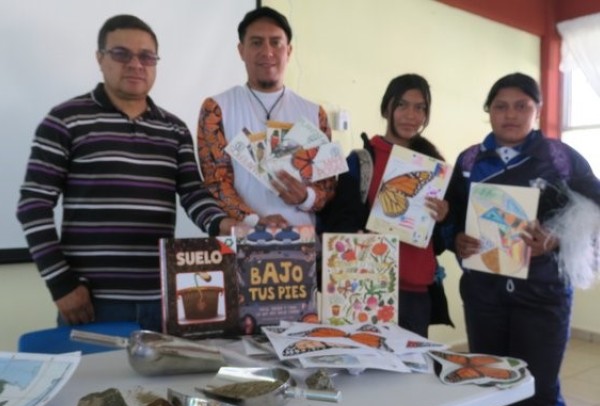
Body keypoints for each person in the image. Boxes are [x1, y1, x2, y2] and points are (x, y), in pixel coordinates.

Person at [16, 15, 236, 332]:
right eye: (121, 54)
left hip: (164, 299)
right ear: (100, 58)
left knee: (160, 384)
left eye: (146, 56)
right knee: (90, 384)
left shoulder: (174, 129)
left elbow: (192, 193)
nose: (136, 64)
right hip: (91, 302)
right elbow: (32, 207)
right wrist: (60, 284)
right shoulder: (65, 120)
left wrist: (224, 224)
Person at [444, 72, 600, 406]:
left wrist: (558, 239)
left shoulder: (560, 158)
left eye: (521, 106)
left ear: (537, 110)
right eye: (500, 106)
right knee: (495, 386)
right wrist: (456, 239)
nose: (510, 115)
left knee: (540, 392)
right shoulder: (469, 160)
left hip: (542, 296)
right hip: (484, 296)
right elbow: (450, 216)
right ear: (489, 112)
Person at [319, 74, 454, 338]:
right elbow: (338, 222)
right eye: (402, 105)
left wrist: (443, 217)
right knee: (365, 371)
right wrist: (358, 236)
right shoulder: (361, 161)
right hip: (369, 287)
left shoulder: (432, 166)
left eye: (420, 108)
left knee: (410, 374)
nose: (410, 115)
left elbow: (438, 241)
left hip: (417, 291)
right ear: (386, 109)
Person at [197, 6, 336, 229]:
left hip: (302, 243)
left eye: (275, 42)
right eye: (256, 42)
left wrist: (306, 197)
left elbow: (328, 186)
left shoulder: (314, 113)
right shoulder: (216, 108)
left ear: (289, 51)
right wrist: (255, 221)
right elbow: (216, 182)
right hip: (241, 241)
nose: (267, 52)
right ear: (241, 51)